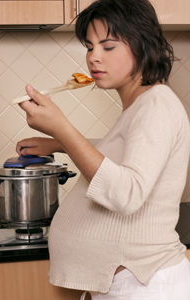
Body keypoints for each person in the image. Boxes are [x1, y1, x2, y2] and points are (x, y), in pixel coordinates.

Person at [16, 0, 190, 299]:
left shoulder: (157, 103)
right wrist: (59, 143)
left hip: (144, 287)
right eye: (89, 46)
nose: (94, 58)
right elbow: (128, 153)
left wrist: (63, 129)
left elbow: (127, 192)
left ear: (142, 45)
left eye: (108, 47)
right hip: (124, 285)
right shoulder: (141, 104)